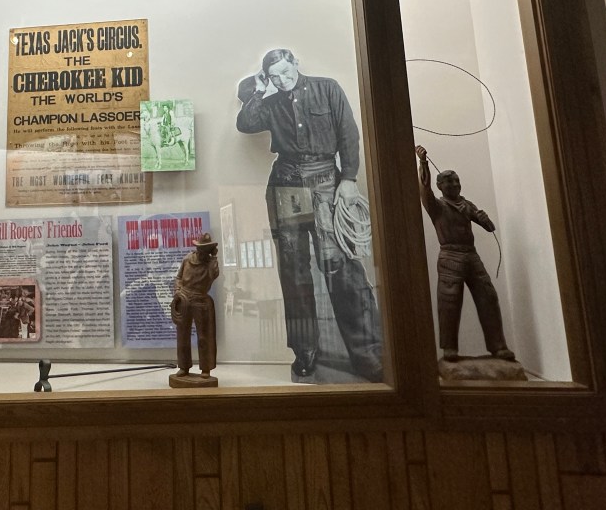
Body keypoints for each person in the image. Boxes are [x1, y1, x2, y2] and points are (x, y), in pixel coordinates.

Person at [237, 48, 383, 381]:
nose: (283, 80)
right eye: (275, 76)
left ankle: (367, 354)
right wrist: (259, 88)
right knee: (293, 271)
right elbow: (245, 123)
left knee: (339, 266)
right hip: (286, 184)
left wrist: (348, 179)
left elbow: (349, 133)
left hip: (325, 182)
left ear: (296, 65)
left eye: (286, 72)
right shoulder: (269, 101)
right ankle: (305, 352)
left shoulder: (327, 87)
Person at [415, 146, 515, 362]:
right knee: (449, 302)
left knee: (488, 297)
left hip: (471, 255)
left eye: (457, 181)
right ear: (440, 186)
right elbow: (424, 189)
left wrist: (485, 219)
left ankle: (498, 346)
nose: (454, 185)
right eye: (449, 182)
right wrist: (423, 163)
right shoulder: (437, 206)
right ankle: (449, 348)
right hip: (450, 257)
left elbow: (489, 227)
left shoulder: (466, 204)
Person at [170, 233, 220, 382]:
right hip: (184, 298)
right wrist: (178, 291)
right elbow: (179, 277)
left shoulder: (211, 264)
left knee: (204, 336)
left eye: (206, 249)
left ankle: (206, 368)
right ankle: (184, 366)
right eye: (201, 249)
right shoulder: (187, 259)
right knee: (182, 336)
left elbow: (213, 275)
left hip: (201, 299)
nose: (202, 252)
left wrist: (214, 259)